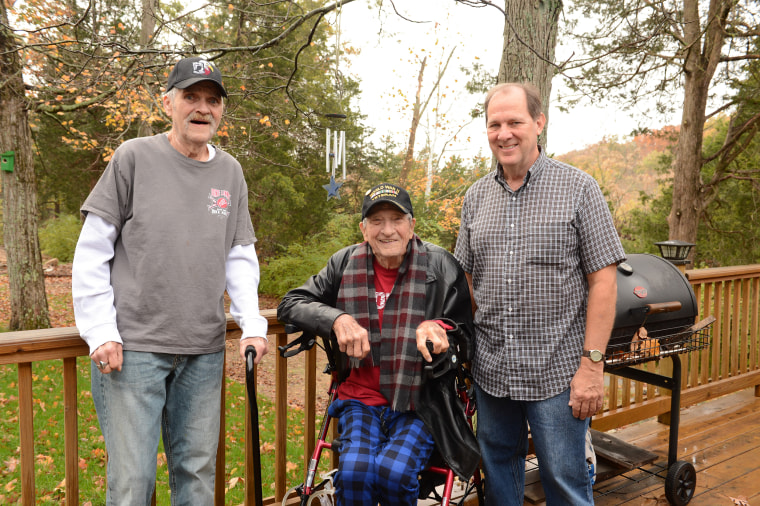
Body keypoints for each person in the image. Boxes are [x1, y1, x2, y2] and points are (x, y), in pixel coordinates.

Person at [71, 56, 269, 506]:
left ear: (221, 111)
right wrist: (99, 330)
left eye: (212, 100)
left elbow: (239, 256)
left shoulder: (230, 172)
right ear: (168, 103)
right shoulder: (134, 156)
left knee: (196, 474)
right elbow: (92, 250)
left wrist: (252, 323)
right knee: (133, 481)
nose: (202, 108)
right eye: (191, 97)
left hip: (203, 349)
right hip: (133, 348)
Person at [454, 82, 626, 505]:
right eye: (495, 124)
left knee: (565, 481)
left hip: (558, 375)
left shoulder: (578, 188)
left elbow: (603, 281)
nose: (504, 133)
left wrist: (592, 367)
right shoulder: (476, 197)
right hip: (492, 373)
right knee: (498, 476)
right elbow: (467, 278)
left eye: (515, 122)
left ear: (538, 123)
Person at [277, 183, 480, 506]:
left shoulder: (441, 266)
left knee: (394, 472)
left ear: (412, 225)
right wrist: (336, 319)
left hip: (421, 402)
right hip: (359, 399)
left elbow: (467, 335)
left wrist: (438, 327)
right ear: (363, 228)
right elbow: (291, 303)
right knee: (355, 473)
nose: (387, 230)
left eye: (396, 219)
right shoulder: (344, 263)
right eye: (376, 220)